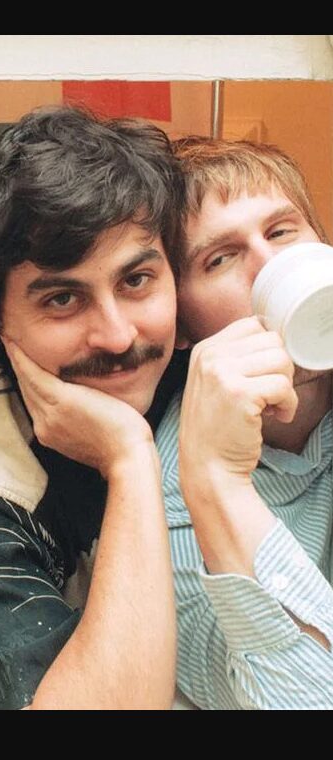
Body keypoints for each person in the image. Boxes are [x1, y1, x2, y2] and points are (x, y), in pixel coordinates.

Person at [0, 106, 187, 709]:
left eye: (136, 281)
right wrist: (128, 459)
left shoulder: (208, 347)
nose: (116, 336)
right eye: (63, 298)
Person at [157, 136, 333, 709]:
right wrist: (215, 483)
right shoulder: (172, 492)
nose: (270, 264)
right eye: (220, 258)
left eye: (282, 232)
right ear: (180, 325)